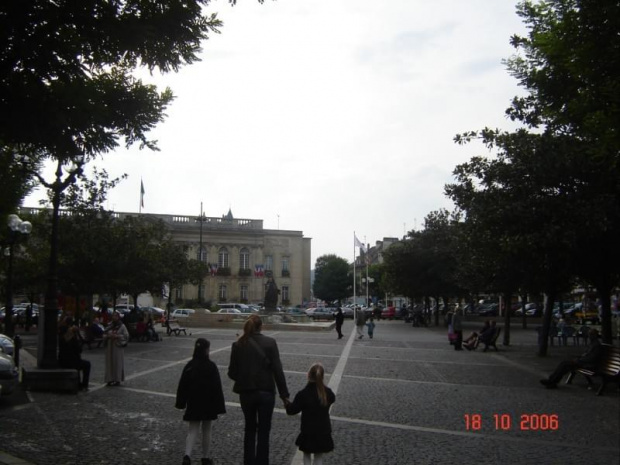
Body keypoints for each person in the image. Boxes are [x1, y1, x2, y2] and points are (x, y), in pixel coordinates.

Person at [228, 314, 290, 465]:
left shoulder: (238, 344)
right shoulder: (270, 343)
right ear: (261, 327)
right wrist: (284, 395)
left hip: (246, 393)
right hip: (266, 392)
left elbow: (231, 372)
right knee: (264, 431)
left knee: (249, 429)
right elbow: (278, 371)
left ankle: (248, 462)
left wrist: (244, 378)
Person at [176, 338, 226, 465]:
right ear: (205, 350)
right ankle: (205, 457)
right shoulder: (211, 366)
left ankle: (187, 456)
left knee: (192, 429)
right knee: (207, 429)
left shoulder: (190, 365)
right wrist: (219, 406)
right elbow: (217, 387)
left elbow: (182, 386)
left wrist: (181, 402)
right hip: (208, 403)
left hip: (193, 402)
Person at [286, 363, 335, 465]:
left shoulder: (303, 394)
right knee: (319, 456)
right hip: (323, 430)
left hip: (308, 431)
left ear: (308, 375)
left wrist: (286, 403)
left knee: (306, 454)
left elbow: (292, 411)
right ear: (322, 376)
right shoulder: (327, 393)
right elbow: (332, 398)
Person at [540, 329, 604, 388]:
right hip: (584, 362)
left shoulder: (596, 345)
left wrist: (578, 360)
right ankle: (552, 380)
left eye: (591, 334)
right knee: (564, 364)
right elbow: (587, 355)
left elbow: (591, 358)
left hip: (588, 364)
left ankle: (552, 381)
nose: (589, 336)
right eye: (589, 334)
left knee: (565, 364)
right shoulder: (593, 344)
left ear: (595, 335)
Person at [58, 317, 91, 390]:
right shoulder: (71, 335)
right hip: (70, 361)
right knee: (87, 365)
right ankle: (84, 385)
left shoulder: (61, 332)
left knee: (79, 363)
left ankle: (79, 383)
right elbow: (78, 349)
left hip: (63, 359)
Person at [103, 312, 129, 386]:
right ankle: (109, 379)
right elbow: (104, 333)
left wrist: (117, 336)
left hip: (117, 347)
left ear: (118, 317)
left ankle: (117, 379)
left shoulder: (122, 326)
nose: (114, 318)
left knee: (117, 363)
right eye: (113, 316)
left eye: (115, 316)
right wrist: (108, 336)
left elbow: (126, 336)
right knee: (109, 363)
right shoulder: (109, 325)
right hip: (109, 347)